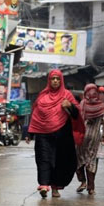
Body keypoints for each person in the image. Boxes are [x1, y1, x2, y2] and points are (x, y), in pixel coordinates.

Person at [26, 70, 85, 198]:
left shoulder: (67, 95)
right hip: (43, 134)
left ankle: (55, 188)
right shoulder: (42, 96)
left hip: (62, 134)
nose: (55, 81)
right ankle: (44, 185)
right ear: (49, 80)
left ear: (61, 80)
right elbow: (35, 115)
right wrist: (29, 133)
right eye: (53, 79)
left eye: (58, 79)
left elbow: (76, 115)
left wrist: (69, 106)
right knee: (43, 159)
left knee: (60, 161)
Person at [75, 84, 104, 195]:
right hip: (94, 138)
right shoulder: (101, 105)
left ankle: (83, 181)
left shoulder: (83, 104)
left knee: (79, 158)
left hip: (82, 136)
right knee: (91, 160)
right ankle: (91, 187)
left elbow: (78, 119)